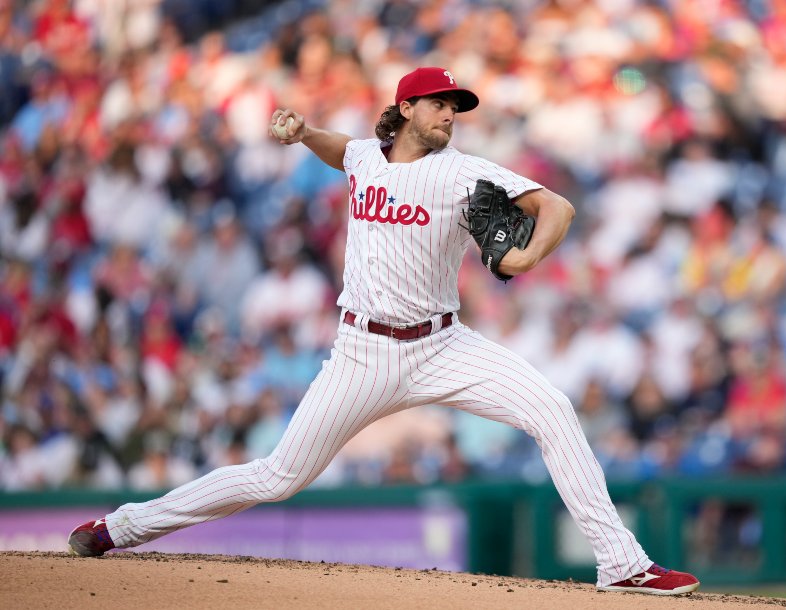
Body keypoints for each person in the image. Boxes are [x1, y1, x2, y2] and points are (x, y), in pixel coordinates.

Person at [66, 66, 700, 596]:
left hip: (443, 344)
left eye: (456, 106)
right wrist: (303, 131)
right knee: (278, 476)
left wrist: (528, 258)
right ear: (406, 107)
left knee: (554, 410)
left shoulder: (463, 172)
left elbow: (555, 206)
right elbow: (342, 150)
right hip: (362, 353)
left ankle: (622, 564)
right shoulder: (366, 157)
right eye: (440, 103)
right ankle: (121, 527)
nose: (451, 114)